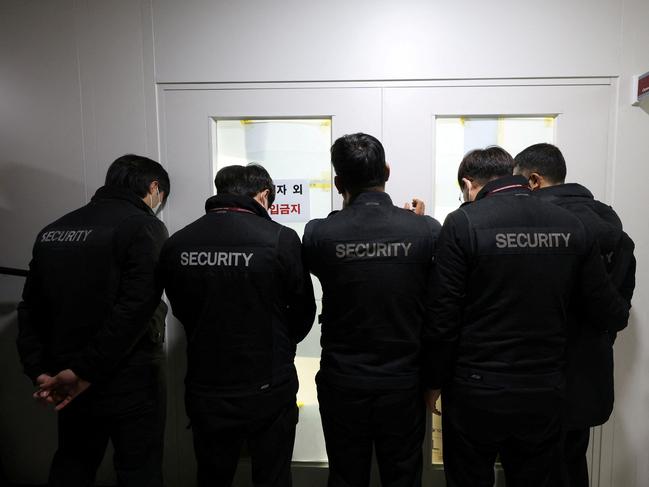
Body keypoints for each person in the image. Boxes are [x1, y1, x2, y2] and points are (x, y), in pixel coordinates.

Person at [423, 146, 630, 487]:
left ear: (468, 184)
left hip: (476, 390)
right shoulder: (571, 225)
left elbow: (442, 318)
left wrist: (433, 382)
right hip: (543, 389)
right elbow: (608, 311)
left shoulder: (464, 222)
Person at [17, 154, 170, 487]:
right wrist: (85, 372)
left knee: (73, 464)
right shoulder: (142, 226)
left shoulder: (54, 230)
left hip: (65, 376)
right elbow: (136, 308)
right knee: (138, 470)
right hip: (128, 378)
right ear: (153, 187)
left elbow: (30, 308)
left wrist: (39, 370)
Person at [159, 164, 316, 487]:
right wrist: (281, 344)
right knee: (271, 475)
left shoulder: (179, 243)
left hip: (206, 384)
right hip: (268, 383)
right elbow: (303, 309)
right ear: (263, 196)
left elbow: (182, 309)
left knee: (213, 476)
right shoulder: (280, 239)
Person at [303, 133, 442, 487]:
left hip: (343, 381)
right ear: (387, 171)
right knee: (403, 476)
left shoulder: (319, 234)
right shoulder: (425, 230)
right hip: (404, 382)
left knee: (346, 475)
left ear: (338, 182)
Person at [513, 143, 636, 487]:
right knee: (572, 460)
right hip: (587, 375)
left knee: (531, 470)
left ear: (534, 181)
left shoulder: (534, 227)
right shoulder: (608, 223)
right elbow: (618, 306)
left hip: (534, 374)